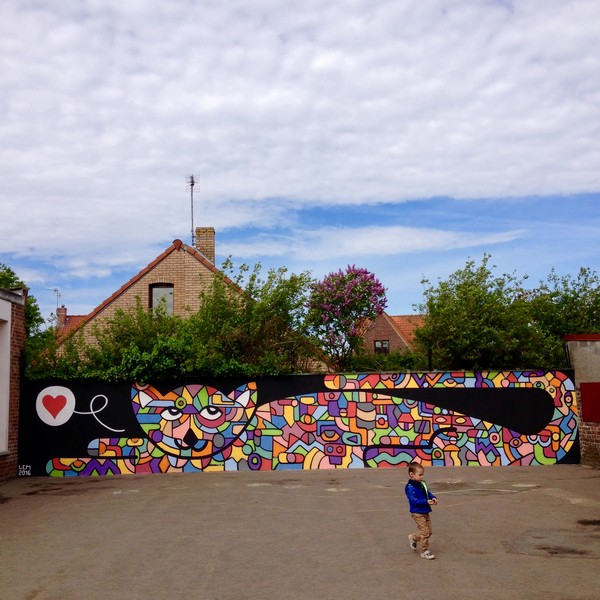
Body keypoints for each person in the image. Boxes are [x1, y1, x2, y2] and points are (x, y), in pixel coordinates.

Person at [405, 461, 438, 559]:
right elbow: (414, 501)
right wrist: (426, 501)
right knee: (425, 532)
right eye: (420, 475)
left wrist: (433, 497)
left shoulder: (422, 484)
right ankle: (424, 551)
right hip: (417, 512)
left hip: (425, 511)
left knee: (429, 532)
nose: (422, 477)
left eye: (423, 474)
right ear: (412, 474)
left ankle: (413, 537)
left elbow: (427, 492)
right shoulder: (410, 488)